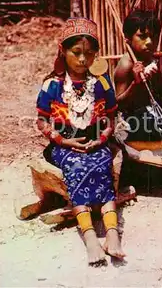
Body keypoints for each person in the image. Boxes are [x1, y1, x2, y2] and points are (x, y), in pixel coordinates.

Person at [36, 18, 125, 266]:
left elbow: (110, 117)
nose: (83, 60)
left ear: (96, 55)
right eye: (76, 53)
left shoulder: (101, 83)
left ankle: (112, 234)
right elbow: (42, 122)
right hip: (64, 146)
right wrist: (64, 141)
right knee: (76, 165)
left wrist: (103, 139)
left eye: (89, 53)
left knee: (102, 162)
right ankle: (90, 239)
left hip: (96, 141)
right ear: (63, 51)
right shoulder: (51, 85)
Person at [114, 9, 162, 142]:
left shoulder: (149, 58)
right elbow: (119, 105)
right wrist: (136, 83)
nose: (150, 41)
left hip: (154, 116)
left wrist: (155, 77)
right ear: (128, 40)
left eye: (153, 36)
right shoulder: (126, 65)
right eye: (143, 36)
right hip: (133, 121)